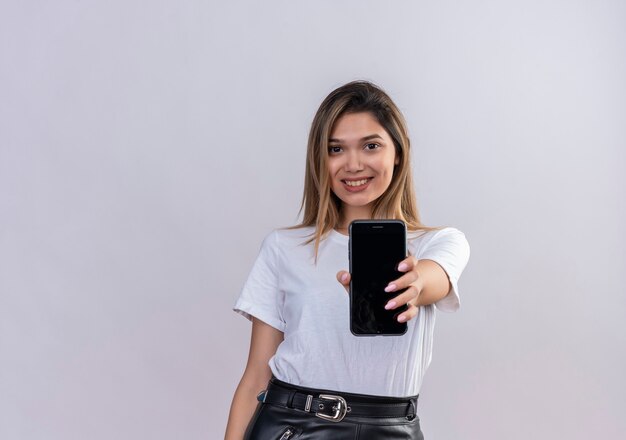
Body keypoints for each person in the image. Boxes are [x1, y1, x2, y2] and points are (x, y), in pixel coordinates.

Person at [224, 81, 470, 439]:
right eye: (336, 149)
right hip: (291, 426)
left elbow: (433, 280)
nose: (353, 164)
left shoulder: (438, 243)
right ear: (320, 160)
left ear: (397, 152)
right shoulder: (283, 248)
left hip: (392, 430)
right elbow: (255, 379)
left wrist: (413, 285)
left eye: (371, 145)